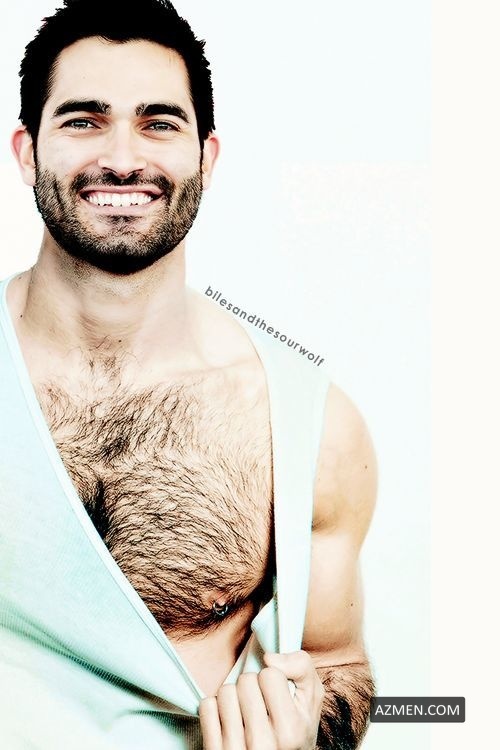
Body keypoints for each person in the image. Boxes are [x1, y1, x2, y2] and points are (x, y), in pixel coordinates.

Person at [0, 0, 377, 747]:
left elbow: (339, 665)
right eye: (83, 120)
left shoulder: (307, 429)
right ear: (27, 151)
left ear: (206, 158)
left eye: (158, 123)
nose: (122, 158)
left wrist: (306, 730)